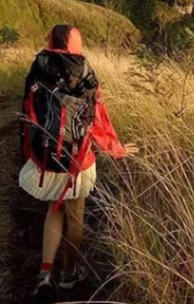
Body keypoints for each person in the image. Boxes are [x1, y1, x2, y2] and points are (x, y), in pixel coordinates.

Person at [19, 25, 138, 301]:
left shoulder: (38, 67)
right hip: (78, 159)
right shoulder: (85, 73)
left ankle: (45, 273)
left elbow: (28, 112)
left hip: (46, 154)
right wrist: (116, 148)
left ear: (51, 42)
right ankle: (69, 273)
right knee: (75, 216)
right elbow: (98, 117)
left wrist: (29, 152)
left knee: (54, 208)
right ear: (76, 45)